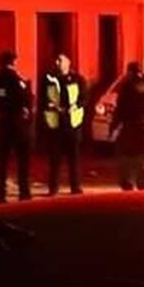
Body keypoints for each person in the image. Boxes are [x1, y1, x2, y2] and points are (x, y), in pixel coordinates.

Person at [0, 50, 33, 203]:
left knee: (2, 161)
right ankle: (24, 192)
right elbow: (27, 98)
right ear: (14, 62)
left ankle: (1, 195)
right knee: (23, 160)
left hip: (3, 122)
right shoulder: (17, 80)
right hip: (18, 123)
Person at [40, 53, 88, 196]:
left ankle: (75, 187)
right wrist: (49, 106)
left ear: (68, 63)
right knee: (55, 159)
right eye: (56, 60)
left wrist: (76, 106)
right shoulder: (49, 79)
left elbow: (84, 98)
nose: (57, 62)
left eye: (60, 60)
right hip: (55, 123)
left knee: (74, 158)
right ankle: (53, 188)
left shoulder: (78, 79)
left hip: (72, 123)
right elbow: (42, 99)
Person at [110, 61, 144, 191]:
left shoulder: (127, 87)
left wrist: (113, 127)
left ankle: (126, 182)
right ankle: (143, 183)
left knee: (125, 155)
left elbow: (120, 108)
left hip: (131, 126)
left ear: (130, 72)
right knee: (143, 157)